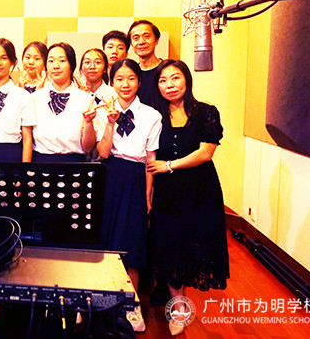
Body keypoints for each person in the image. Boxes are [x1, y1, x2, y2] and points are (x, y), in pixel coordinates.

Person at [146, 60, 229, 336]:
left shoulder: (206, 112)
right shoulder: (154, 116)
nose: (169, 85)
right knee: (170, 247)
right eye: (163, 80)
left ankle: (181, 303)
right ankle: (178, 308)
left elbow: (206, 152)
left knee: (193, 247)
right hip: (166, 193)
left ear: (187, 80)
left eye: (175, 78)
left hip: (199, 191)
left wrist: (169, 165)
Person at [97, 59, 162, 332]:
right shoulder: (103, 111)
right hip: (109, 175)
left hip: (136, 178)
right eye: (119, 79)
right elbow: (102, 152)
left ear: (139, 82)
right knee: (105, 242)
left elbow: (150, 159)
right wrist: (110, 123)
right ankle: (101, 304)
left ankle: (130, 306)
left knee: (132, 245)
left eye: (131, 78)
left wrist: (147, 195)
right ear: (112, 82)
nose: (125, 84)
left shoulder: (151, 115)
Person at [32, 43, 97, 162]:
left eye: (62, 61)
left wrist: (88, 122)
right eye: (51, 61)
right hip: (40, 163)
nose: (56, 66)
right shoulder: (35, 98)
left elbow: (88, 148)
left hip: (74, 165)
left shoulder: (85, 99)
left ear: (71, 65)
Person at [128, 20, 162, 105]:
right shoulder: (131, 73)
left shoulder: (167, 70)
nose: (141, 42)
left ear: (156, 40)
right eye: (136, 38)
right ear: (131, 44)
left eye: (146, 36)